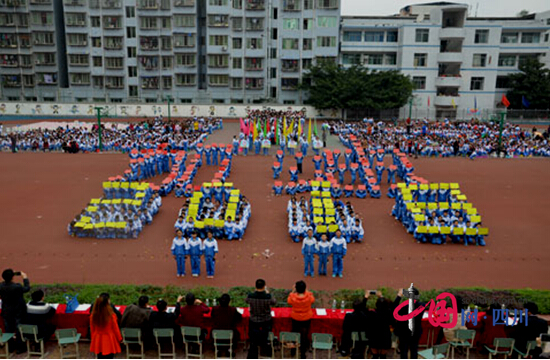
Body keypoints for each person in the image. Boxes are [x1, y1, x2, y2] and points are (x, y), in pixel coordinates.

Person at [0, 269, 30, 352]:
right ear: (12, 277)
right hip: (18, 311)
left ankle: (10, 347)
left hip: (6, 311)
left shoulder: (1, 286)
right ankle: (20, 348)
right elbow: (27, 288)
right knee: (19, 330)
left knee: (8, 330)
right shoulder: (17, 287)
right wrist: (25, 278)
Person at [246, 279, 277, 359]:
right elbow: (274, 302)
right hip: (266, 320)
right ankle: (265, 350)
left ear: (255, 286)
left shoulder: (250, 296)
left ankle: (253, 352)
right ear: (264, 286)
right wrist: (268, 292)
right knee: (265, 335)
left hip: (253, 320)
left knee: (253, 337)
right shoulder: (268, 297)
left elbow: (246, 300)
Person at [393, 288, 425, 359]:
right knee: (414, 351)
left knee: (404, 351)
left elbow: (394, 309)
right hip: (415, 332)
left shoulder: (404, 308)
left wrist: (399, 296)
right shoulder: (422, 306)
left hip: (404, 333)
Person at [287, 281, 315, 359]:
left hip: (295, 318)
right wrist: (306, 290)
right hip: (306, 318)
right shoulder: (309, 297)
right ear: (305, 289)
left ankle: (293, 350)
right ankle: (303, 353)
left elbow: (288, 301)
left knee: (294, 333)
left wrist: (292, 291)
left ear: (296, 289)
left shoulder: (292, 297)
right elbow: (312, 299)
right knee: (304, 335)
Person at [340, 292, 373, 358]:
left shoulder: (348, 316)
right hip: (362, 340)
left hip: (350, 339)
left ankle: (345, 350)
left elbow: (344, 327)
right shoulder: (365, 317)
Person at [90, 293, 122, 359]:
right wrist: (119, 338)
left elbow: (92, 329)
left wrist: (94, 338)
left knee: (99, 356)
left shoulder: (93, 316)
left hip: (98, 338)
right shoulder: (111, 315)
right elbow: (115, 328)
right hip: (109, 338)